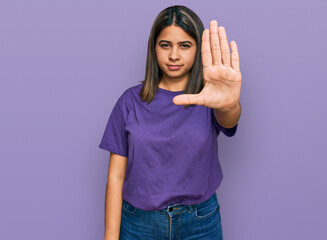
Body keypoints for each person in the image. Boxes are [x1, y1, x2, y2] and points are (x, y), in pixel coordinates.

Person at [99, 5, 242, 240]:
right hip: (140, 224)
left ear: (197, 49)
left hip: (200, 222)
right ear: (153, 48)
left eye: (184, 45)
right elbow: (115, 178)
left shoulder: (209, 98)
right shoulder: (129, 102)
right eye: (165, 45)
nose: (174, 55)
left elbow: (229, 120)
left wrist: (229, 104)